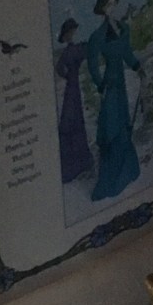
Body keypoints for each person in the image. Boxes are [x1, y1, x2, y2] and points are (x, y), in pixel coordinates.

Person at [87, 0, 142, 201]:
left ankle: (126, 171)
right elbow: (92, 64)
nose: (111, 7)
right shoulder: (97, 36)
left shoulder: (122, 29)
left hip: (121, 86)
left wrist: (138, 67)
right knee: (111, 128)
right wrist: (100, 84)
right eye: (107, 4)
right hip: (110, 86)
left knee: (123, 125)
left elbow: (127, 53)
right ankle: (109, 181)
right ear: (102, 7)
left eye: (113, 3)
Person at [56, 18, 93, 183]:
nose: (71, 35)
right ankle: (73, 160)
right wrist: (68, 75)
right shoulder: (69, 51)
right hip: (72, 86)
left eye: (72, 32)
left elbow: (86, 53)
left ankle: (79, 158)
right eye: (68, 33)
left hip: (74, 85)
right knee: (71, 117)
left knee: (74, 117)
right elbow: (59, 68)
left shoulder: (74, 49)